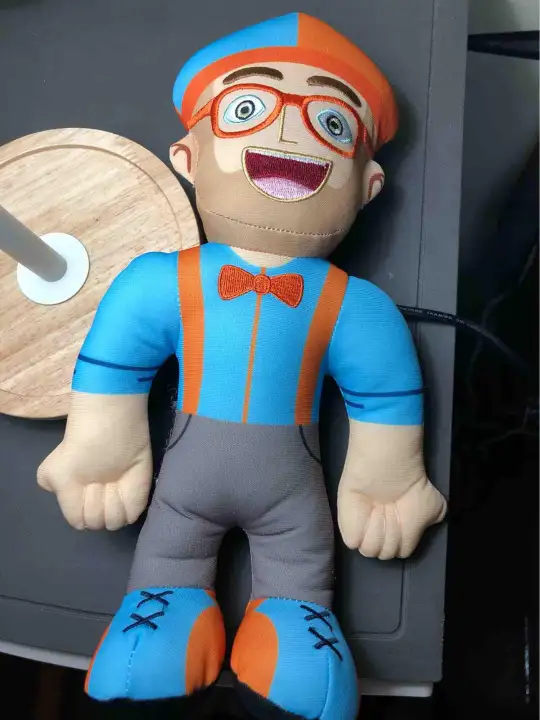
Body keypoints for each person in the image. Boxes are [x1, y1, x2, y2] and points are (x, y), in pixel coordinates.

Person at [38, 13, 446, 720]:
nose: (286, 132)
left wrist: (389, 482)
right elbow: (116, 364)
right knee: (165, 569)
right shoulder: (163, 281)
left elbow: (383, 395)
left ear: (368, 184)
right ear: (187, 158)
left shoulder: (354, 306)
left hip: (294, 500)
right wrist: (100, 447)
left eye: (329, 122)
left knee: (300, 586)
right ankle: (163, 612)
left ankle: (293, 626)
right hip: (182, 491)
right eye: (249, 108)